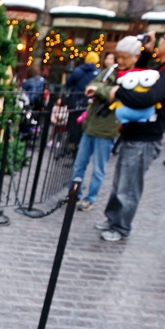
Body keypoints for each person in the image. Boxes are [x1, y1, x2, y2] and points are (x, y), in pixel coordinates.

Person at [95, 22, 165, 242]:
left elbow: (148, 97)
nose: (160, 41)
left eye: (164, 38)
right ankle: (113, 219)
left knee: (128, 186)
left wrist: (117, 92)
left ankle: (121, 227)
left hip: (145, 137)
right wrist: (146, 54)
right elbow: (139, 79)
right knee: (120, 182)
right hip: (135, 133)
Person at [70, 36, 142, 212]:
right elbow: (93, 84)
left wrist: (101, 90)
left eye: (125, 57)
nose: (121, 61)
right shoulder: (110, 70)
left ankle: (90, 198)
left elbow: (117, 94)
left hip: (108, 128)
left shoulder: (135, 77)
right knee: (79, 163)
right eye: (119, 56)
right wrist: (101, 90)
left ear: (136, 57)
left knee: (98, 168)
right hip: (91, 123)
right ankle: (74, 194)